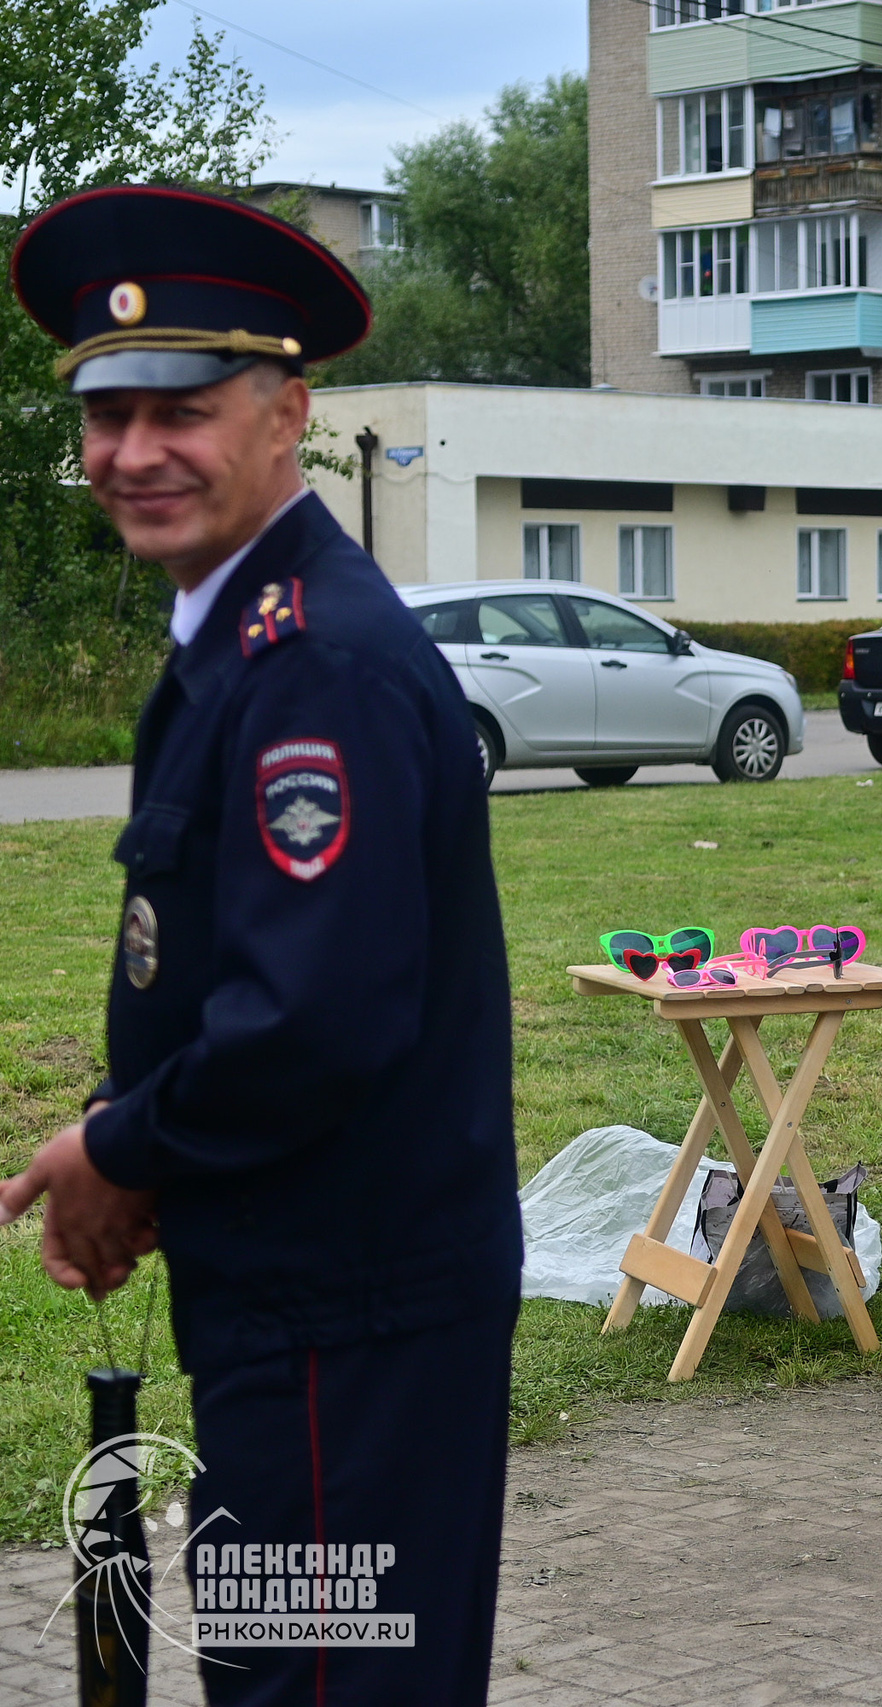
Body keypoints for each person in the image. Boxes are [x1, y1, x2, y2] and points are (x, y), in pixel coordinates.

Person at [0, 187, 521, 1697]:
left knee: (313, 1682)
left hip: (336, 1317)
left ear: (288, 412)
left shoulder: (316, 665)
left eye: (184, 406)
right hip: (310, 1295)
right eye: (107, 414)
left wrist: (122, 1147)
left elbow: (313, 1017)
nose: (135, 452)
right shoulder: (246, 632)